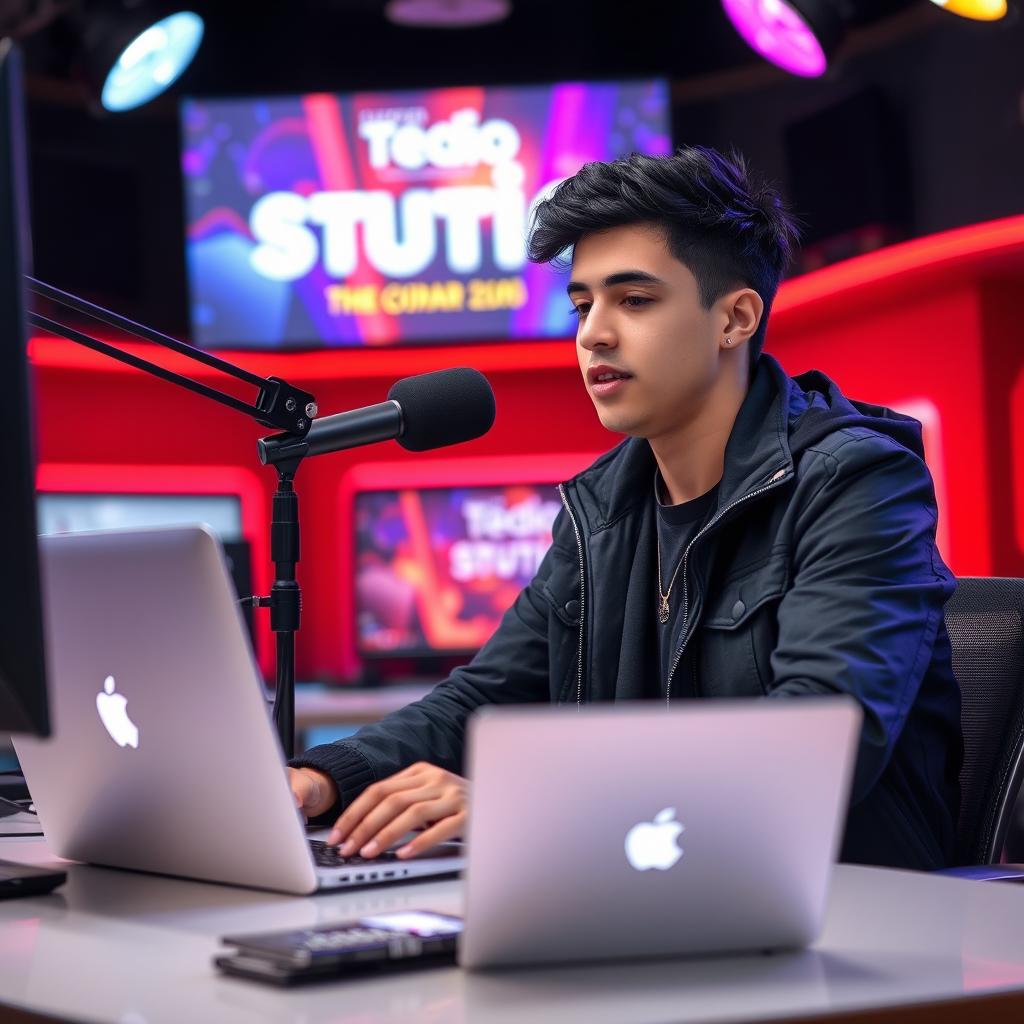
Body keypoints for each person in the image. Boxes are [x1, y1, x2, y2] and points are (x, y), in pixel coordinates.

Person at [288, 146, 962, 870]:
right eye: (583, 305)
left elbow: (815, 746)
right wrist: (321, 778)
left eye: (633, 300)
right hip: (647, 890)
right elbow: (484, 698)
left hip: (843, 914)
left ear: (734, 318)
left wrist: (530, 800)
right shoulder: (601, 508)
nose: (593, 334)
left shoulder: (858, 480)